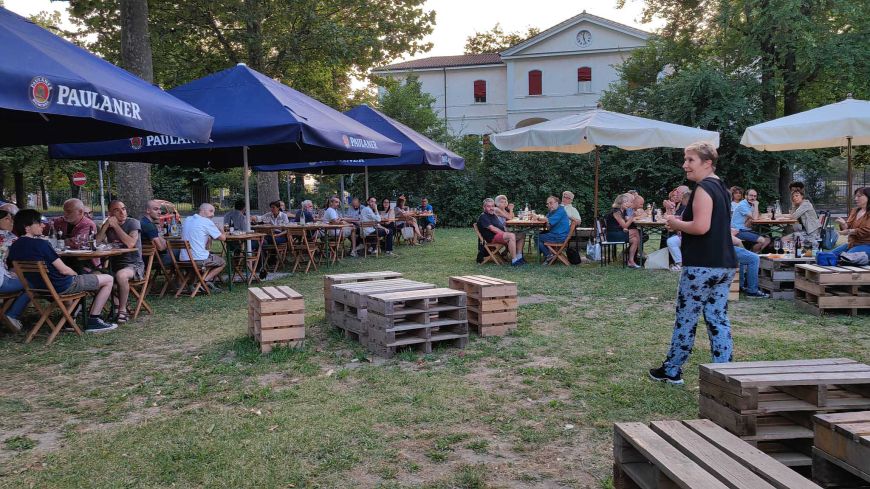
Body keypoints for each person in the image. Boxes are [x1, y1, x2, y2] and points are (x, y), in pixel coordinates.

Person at [649, 141, 737, 385]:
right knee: (717, 317)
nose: (684, 165)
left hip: (701, 265)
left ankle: (673, 369)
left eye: (690, 160)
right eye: (685, 159)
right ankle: (725, 372)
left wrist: (676, 224)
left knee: (686, 316)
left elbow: (700, 226)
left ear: (707, 163)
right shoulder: (722, 188)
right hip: (725, 264)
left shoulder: (703, 189)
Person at [8, 209, 116, 332]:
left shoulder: (14, 246)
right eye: (38, 223)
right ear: (27, 227)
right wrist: (76, 277)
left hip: (39, 288)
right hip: (61, 286)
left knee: (85, 278)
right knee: (108, 279)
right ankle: (94, 320)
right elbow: (64, 270)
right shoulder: (41, 244)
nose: (43, 225)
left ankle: (70, 320)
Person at [95, 200, 145, 323]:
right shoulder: (109, 224)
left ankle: (122, 310)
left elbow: (130, 243)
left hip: (133, 265)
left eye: (123, 208)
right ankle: (115, 305)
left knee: (121, 275)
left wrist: (116, 226)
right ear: (110, 213)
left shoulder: (133, 223)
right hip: (113, 265)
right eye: (117, 210)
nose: (122, 212)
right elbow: (96, 243)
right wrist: (106, 225)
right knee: (94, 276)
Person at [179, 203, 226, 288]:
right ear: (202, 210)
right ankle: (204, 281)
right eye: (211, 211)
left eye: (213, 212)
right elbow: (223, 238)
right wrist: (221, 229)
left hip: (183, 259)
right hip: (198, 260)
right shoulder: (206, 222)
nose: (213, 214)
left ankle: (193, 283)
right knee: (222, 262)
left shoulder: (187, 219)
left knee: (207, 254)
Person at [0, 210, 30, 331]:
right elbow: (26, 252)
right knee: (32, 282)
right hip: (1, 281)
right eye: (7, 219)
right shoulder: (7, 237)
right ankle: (12, 315)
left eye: (11, 218)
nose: (11, 221)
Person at [477, 198, 524, 266]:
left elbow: (502, 225)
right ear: (484, 207)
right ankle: (514, 260)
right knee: (511, 236)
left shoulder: (493, 215)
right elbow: (493, 229)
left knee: (521, 234)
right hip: (492, 238)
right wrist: (505, 233)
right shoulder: (483, 216)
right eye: (488, 206)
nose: (491, 208)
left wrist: (507, 231)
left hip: (499, 235)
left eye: (492, 206)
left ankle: (519, 257)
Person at [831, 187, 870, 258]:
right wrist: (843, 224)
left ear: (868, 196)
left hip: (867, 244)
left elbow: (867, 230)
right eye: (855, 196)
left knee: (846, 257)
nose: (856, 199)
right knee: (827, 256)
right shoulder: (854, 211)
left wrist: (849, 231)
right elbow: (847, 228)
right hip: (852, 244)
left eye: (859, 196)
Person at [605, 194, 641, 268]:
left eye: (627, 202)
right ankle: (639, 253)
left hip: (617, 232)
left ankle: (631, 261)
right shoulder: (616, 212)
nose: (627, 204)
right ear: (620, 203)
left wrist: (631, 217)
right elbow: (625, 225)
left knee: (635, 240)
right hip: (612, 235)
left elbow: (625, 222)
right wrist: (633, 217)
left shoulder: (622, 211)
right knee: (635, 231)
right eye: (625, 202)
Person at [731, 228, 769, 298]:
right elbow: (734, 240)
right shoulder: (719, 218)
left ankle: (740, 286)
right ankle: (752, 291)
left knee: (743, 257)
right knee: (754, 258)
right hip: (722, 248)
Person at [731, 186, 769, 253]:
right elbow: (755, 218)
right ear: (746, 196)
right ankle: (751, 255)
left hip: (746, 229)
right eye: (751, 195)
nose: (753, 198)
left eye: (755, 196)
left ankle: (752, 254)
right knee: (762, 240)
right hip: (738, 231)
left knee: (767, 239)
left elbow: (757, 215)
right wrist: (756, 205)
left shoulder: (750, 204)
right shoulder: (742, 205)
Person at [140, 199, 177, 267]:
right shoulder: (149, 226)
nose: (159, 212)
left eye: (160, 209)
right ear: (148, 210)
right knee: (184, 252)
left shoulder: (142, 222)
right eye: (156, 209)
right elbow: (160, 247)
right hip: (152, 261)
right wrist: (166, 245)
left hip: (144, 259)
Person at [536, 196, 570, 264]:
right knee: (539, 233)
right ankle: (547, 256)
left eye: (551, 203)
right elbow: (547, 221)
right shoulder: (553, 211)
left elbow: (547, 220)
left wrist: (537, 217)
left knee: (537, 236)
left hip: (559, 236)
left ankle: (548, 255)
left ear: (557, 203)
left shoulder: (560, 211)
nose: (549, 205)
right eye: (548, 204)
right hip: (556, 234)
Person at [665, 186, 691, 271]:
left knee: (671, 241)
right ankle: (679, 263)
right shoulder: (685, 207)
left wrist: (679, 228)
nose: (676, 195)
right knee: (671, 240)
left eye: (679, 194)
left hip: (691, 235)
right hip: (685, 233)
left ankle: (680, 264)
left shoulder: (689, 208)